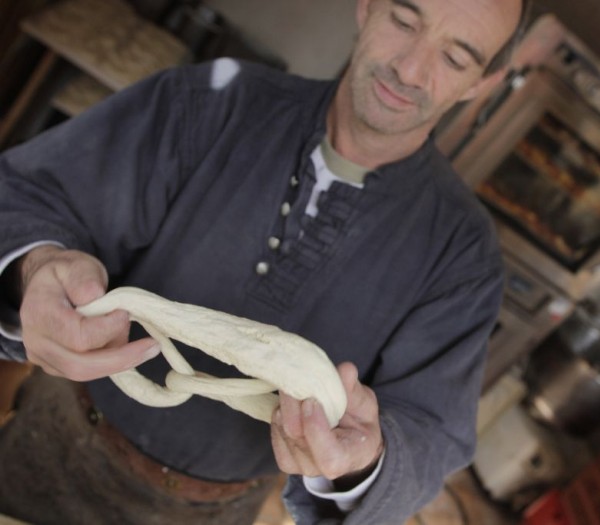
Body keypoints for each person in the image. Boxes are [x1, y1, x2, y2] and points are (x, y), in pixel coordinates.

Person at [0, 0, 528, 523]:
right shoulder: (215, 100)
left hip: (212, 514)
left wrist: (364, 459)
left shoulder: (463, 258)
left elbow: (430, 431)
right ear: (367, 7)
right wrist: (36, 265)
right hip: (50, 441)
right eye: (405, 21)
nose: (410, 69)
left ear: (483, 82)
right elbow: (31, 196)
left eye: (455, 58)